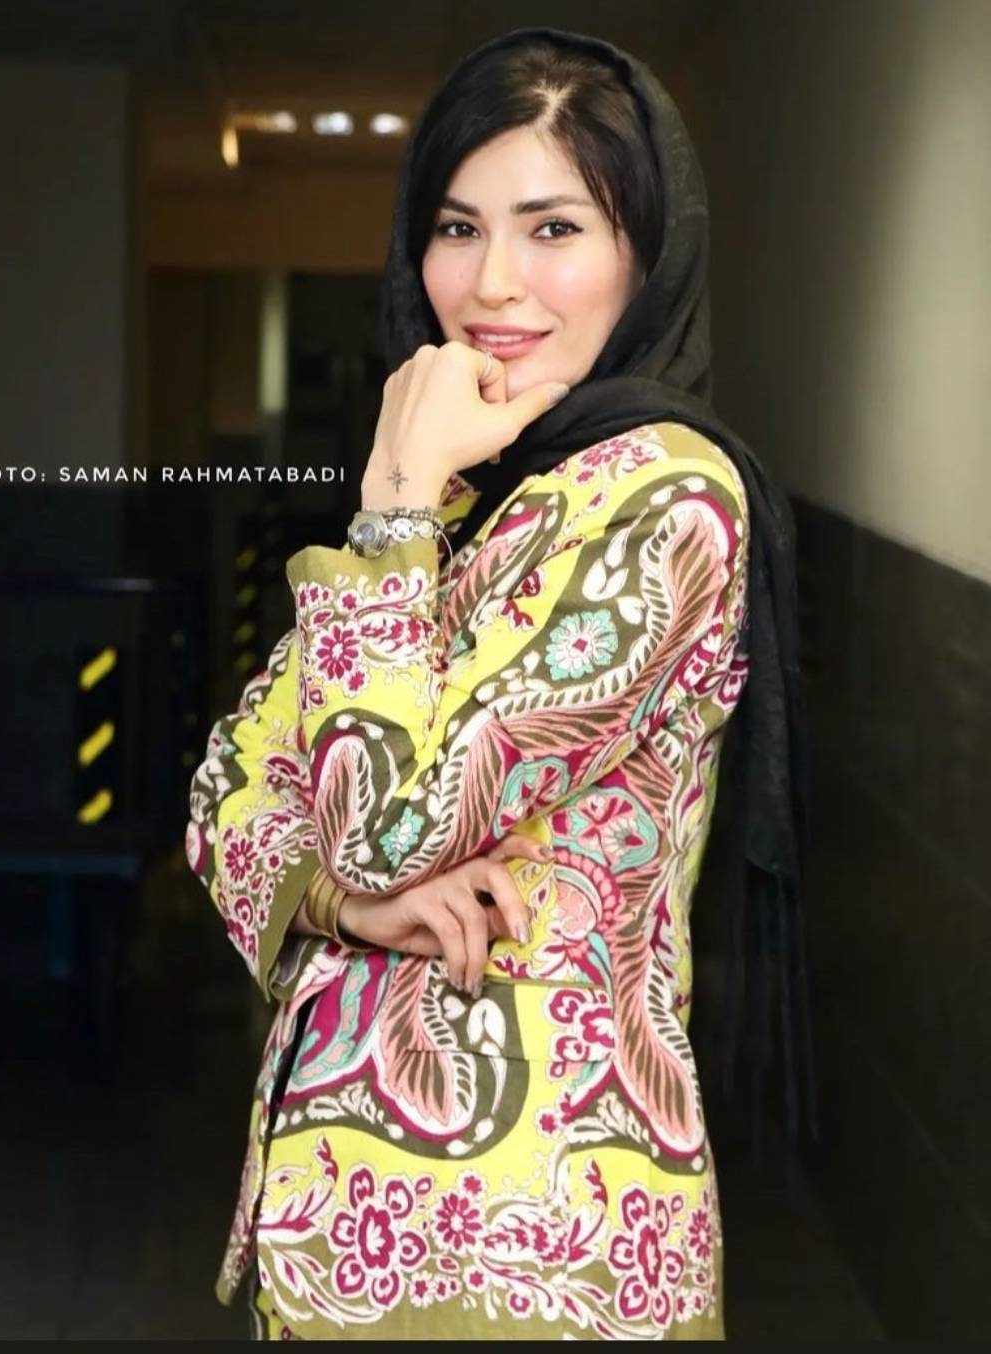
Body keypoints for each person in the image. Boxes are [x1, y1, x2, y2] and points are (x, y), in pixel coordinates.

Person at [186, 26, 814, 1342]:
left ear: (646, 254)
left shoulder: (666, 500)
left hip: (532, 1247)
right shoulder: (472, 502)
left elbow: (379, 820)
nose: (492, 284)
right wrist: (346, 906)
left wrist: (393, 497)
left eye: (554, 228)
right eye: (458, 227)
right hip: (341, 1240)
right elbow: (222, 784)